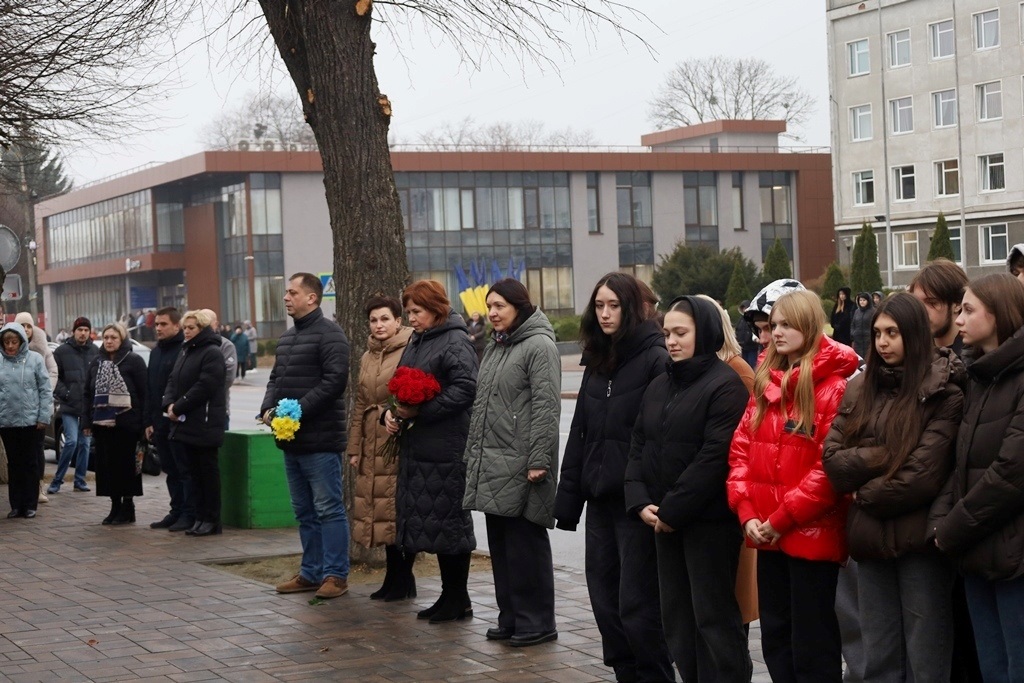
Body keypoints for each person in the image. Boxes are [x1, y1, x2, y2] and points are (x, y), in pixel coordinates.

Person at [823, 293, 965, 681]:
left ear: (916, 335)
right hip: (869, 541)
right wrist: (887, 455)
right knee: (879, 655)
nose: (883, 342)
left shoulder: (944, 393)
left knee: (926, 654)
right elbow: (833, 460)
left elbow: (922, 477)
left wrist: (862, 493)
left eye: (893, 333)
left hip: (920, 541)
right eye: (878, 333)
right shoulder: (860, 389)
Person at [727, 289, 859, 682]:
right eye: (772, 326)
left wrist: (780, 519)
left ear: (808, 325)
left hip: (811, 539)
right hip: (768, 536)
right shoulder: (767, 382)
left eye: (785, 325)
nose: (774, 334)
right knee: (777, 643)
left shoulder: (835, 387)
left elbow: (828, 470)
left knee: (813, 649)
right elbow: (740, 454)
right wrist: (748, 512)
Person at [554, 272, 674, 683]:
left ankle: (654, 675)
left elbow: (658, 439)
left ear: (631, 308)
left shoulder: (656, 358)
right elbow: (581, 435)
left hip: (636, 505)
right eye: (599, 306)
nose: (605, 314)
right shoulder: (596, 359)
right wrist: (569, 498)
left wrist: (645, 497)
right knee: (604, 603)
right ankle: (626, 674)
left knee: (637, 607)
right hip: (600, 501)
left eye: (614, 306)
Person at [625, 296, 751, 681]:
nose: (672, 341)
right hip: (664, 521)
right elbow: (639, 446)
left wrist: (672, 512)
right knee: (677, 619)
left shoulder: (726, 386)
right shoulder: (661, 383)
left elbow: (713, 459)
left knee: (713, 620)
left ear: (706, 333)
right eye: (667, 333)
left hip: (707, 525)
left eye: (681, 333)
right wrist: (640, 500)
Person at [931, 274, 1024, 682]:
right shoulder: (980, 377)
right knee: (992, 668)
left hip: (1015, 555)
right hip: (977, 550)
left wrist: (952, 528)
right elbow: (961, 461)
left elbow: (1011, 473)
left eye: (968, 310)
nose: (960, 320)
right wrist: (946, 520)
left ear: (1000, 313)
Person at [463, 279, 560, 647]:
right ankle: (512, 618)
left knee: (525, 547)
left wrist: (539, 459)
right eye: (489, 306)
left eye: (500, 306)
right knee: (502, 549)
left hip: (522, 466)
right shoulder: (498, 345)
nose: (492, 313)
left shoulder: (539, 345)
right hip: (492, 463)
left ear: (519, 305)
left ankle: (537, 622)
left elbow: (546, 407)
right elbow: (484, 407)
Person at [384, 279, 477, 624]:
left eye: (416, 311)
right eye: (408, 312)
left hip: (446, 448)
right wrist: (392, 412)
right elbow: (401, 383)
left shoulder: (454, 340)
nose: (411, 318)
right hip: (420, 446)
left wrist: (422, 411)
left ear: (436, 309)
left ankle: (457, 598)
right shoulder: (418, 339)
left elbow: (467, 388)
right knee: (434, 523)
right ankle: (450, 595)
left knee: (450, 524)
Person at [906, 258, 979, 682]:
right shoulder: (911, 359)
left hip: (960, 508)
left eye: (929, 303)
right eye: (915, 302)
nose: (920, 312)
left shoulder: (970, 363)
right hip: (921, 509)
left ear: (955, 307)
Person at [261, 273, 350, 600]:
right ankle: (311, 573)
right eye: (286, 292)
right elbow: (275, 380)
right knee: (304, 511)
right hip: (291, 441)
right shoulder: (286, 338)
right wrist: (268, 409)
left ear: (312, 298)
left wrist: (296, 411)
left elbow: (334, 382)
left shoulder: (331, 335)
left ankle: (336, 575)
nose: (286, 297)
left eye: (292, 292)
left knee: (328, 509)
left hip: (321, 440)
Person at [696, 294, 759, 630]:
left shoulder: (736, 371)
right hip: (701, 502)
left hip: (730, 501)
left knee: (729, 607)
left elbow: (743, 443)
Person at [346, 295, 415, 601]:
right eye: (374, 320)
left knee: (396, 511)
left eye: (385, 318)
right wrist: (354, 447)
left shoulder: (410, 350)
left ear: (398, 321)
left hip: (397, 439)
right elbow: (360, 403)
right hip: (372, 442)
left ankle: (402, 578)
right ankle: (394, 578)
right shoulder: (367, 356)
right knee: (380, 512)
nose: (379, 325)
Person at [162, 310, 228, 537]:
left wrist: (178, 407)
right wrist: (168, 403)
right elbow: (173, 379)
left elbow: (205, 386)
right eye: (185, 328)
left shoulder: (212, 352)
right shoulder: (186, 350)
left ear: (202, 328)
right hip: (186, 422)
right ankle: (200, 517)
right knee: (194, 474)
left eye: (191, 328)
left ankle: (212, 519)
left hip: (205, 423)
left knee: (207, 474)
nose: (187, 331)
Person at [83, 323, 147, 525]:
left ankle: (128, 507)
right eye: (106, 337)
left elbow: (145, 393)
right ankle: (114, 506)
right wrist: (86, 421)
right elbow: (87, 394)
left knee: (127, 467)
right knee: (108, 467)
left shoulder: (133, 361)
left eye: (114, 337)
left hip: (128, 425)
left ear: (122, 339)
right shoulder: (96, 363)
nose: (109, 341)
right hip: (103, 425)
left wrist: (144, 422)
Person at [145, 307, 192, 531]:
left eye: (163, 324)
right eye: (157, 324)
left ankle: (188, 513)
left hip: (178, 421)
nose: (159, 328)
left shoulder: (184, 350)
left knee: (183, 470)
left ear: (177, 326)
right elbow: (151, 389)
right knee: (170, 470)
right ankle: (176, 510)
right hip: (159, 422)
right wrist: (149, 421)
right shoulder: (155, 352)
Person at [0, 323, 52, 519]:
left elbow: (45, 390)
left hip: (31, 422)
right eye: (7, 342)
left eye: (14, 342)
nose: (10, 346)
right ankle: (16, 505)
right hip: (7, 421)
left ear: (22, 341)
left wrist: (43, 417)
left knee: (30, 463)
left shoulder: (35, 360)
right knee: (14, 464)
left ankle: (30, 504)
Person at [48, 317, 100, 494]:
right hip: (69, 406)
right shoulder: (62, 351)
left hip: (88, 408)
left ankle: (80, 480)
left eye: (86, 330)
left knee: (85, 444)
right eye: (80, 330)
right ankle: (57, 480)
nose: (83, 333)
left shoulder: (95, 351)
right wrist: (66, 394)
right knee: (70, 442)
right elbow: (56, 377)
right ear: (73, 331)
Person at [15, 312, 57, 505]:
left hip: (38, 408)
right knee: (19, 453)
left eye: (29, 326)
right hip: (14, 411)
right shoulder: (8, 348)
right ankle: (21, 491)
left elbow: (53, 371)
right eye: (22, 325)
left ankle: (38, 487)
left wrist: (43, 390)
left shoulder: (42, 349)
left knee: (37, 450)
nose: (26, 329)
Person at [908, 259, 969, 355]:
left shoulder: (974, 357)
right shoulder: (913, 354)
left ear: (957, 304)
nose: (922, 310)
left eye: (932, 303)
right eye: (917, 303)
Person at [201, 309, 235, 429]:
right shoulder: (190, 346)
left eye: (208, 323)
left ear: (216, 324)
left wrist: (201, 391)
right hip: (193, 412)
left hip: (217, 410)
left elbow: (228, 378)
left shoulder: (226, 346)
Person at [736, 299, 760, 369]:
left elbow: (756, 330)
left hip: (752, 347)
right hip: (743, 347)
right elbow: (737, 330)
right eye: (743, 308)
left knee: (752, 365)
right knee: (745, 366)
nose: (744, 309)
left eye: (746, 307)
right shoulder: (740, 320)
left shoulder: (752, 318)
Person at [849, 292, 874, 359]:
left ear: (868, 301)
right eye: (860, 300)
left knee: (868, 357)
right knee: (859, 358)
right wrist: (853, 333)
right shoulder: (857, 311)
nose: (862, 302)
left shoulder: (873, 312)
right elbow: (853, 323)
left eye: (864, 300)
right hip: (858, 340)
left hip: (868, 339)